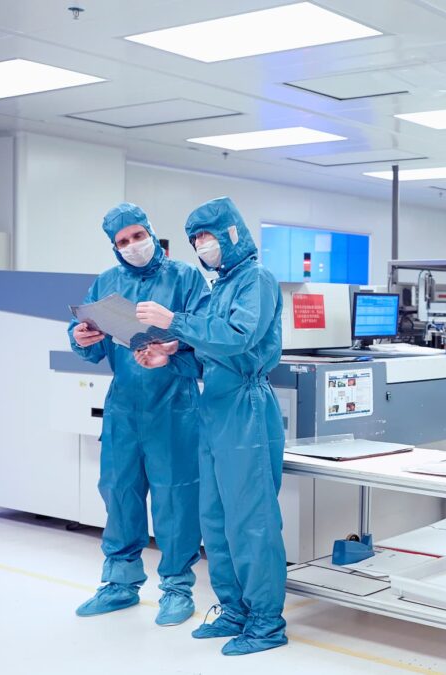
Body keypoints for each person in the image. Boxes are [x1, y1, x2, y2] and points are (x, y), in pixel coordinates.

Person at [136, 197, 287, 656]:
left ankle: (266, 623)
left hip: (246, 408)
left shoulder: (256, 280)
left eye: (207, 235)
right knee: (216, 519)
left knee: (251, 520)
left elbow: (239, 339)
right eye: (195, 239)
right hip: (215, 409)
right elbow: (210, 358)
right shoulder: (221, 285)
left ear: (231, 233)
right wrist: (170, 356)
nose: (202, 244)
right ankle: (235, 610)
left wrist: (174, 321)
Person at [68, 203, 209, 626]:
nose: (132, 245)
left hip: (173, 407)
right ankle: (119, 583)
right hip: (124, 408)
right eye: (123, 241)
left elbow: (208, 341)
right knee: (119, 492)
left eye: (137, 235)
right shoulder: (108, 282)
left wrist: (174, 345)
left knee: (175, 497)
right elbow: (91, 347)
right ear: (114, 247)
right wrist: (81, 336)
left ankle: (177, 587)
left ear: (150, 231)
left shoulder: (185, 278)